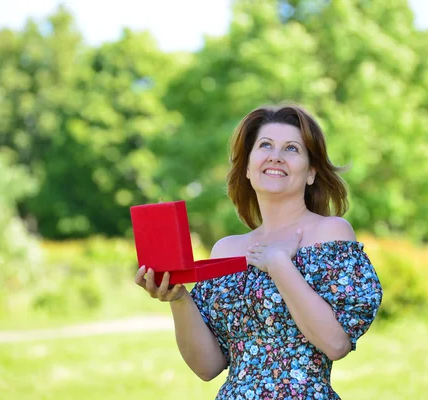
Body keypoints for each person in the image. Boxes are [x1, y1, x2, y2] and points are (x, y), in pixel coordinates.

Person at [135, 104, 383, 399]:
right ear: (249, 169)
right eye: (265, 145)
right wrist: (178, 298)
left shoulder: (330, 234)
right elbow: (208, 366)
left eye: (292, 149)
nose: (276, 155)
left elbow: (335, 344)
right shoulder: (226, 249)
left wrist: (278, 263)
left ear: (311, 173)